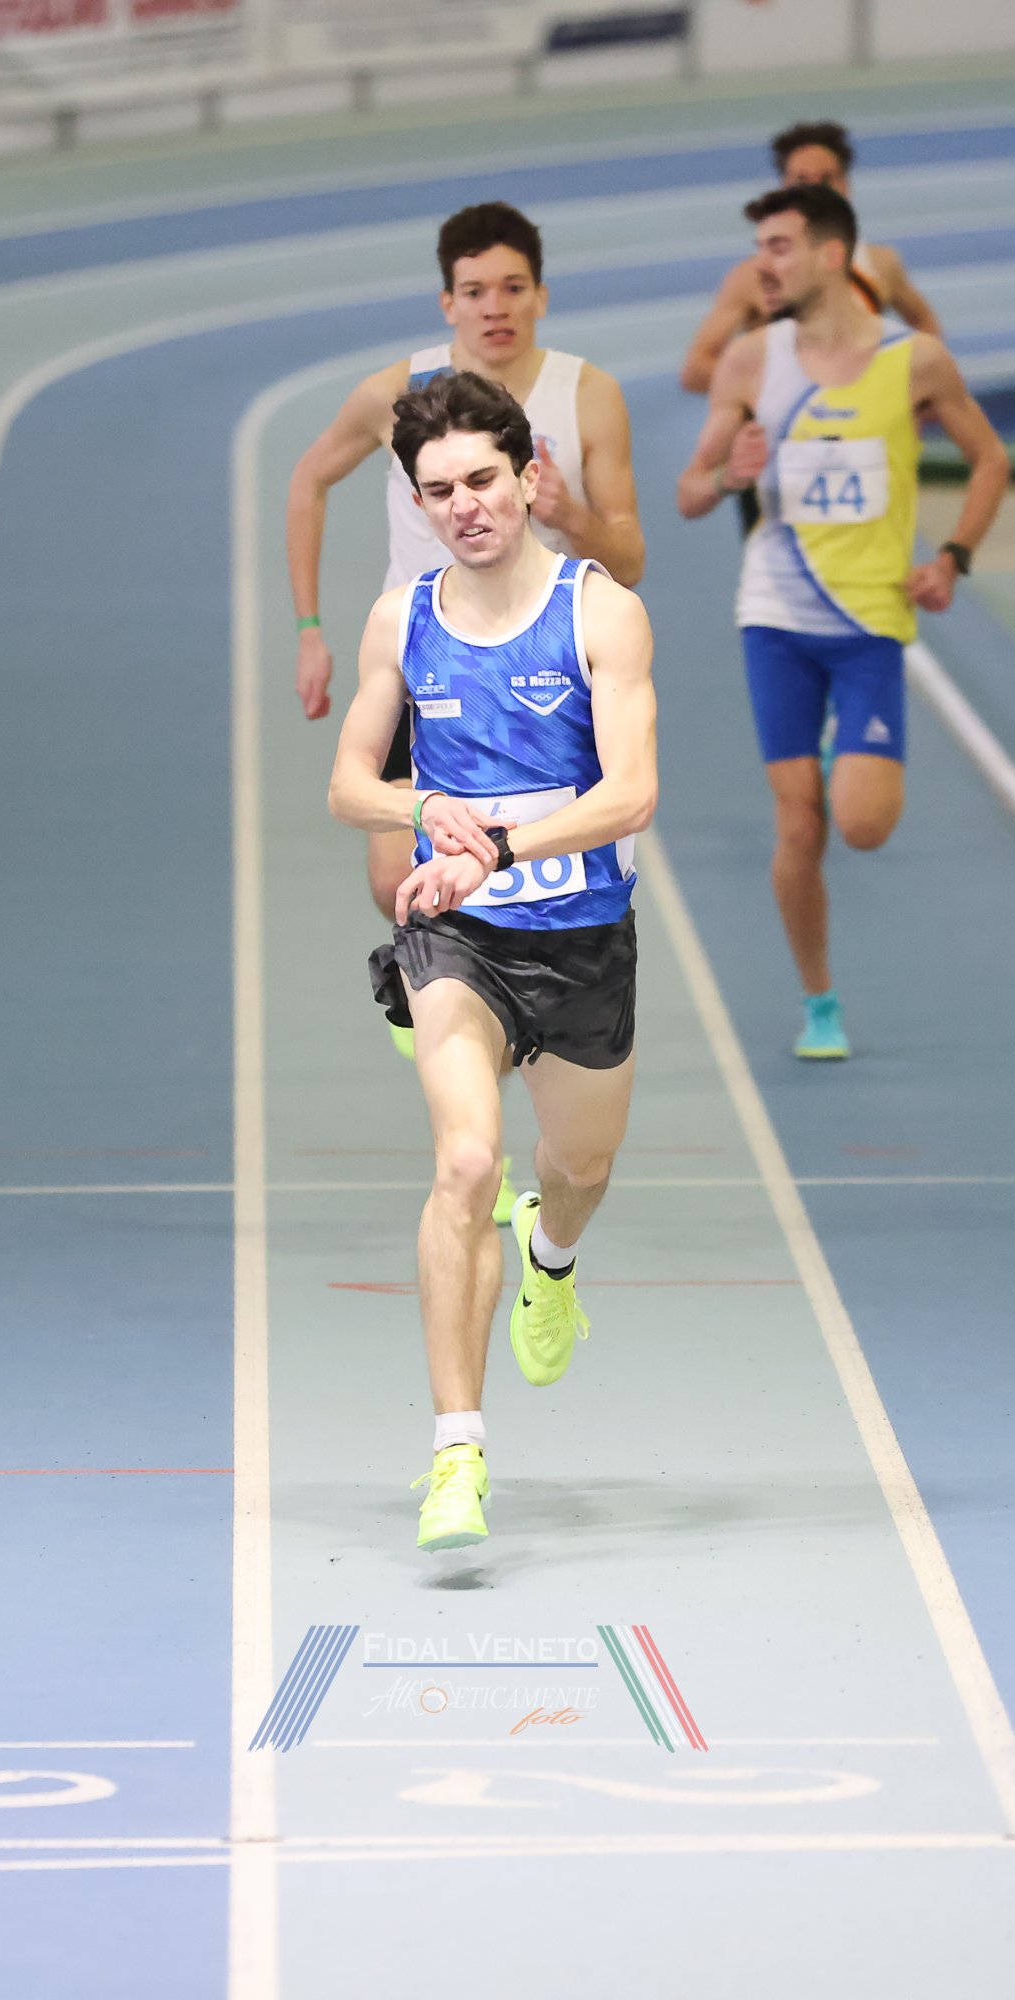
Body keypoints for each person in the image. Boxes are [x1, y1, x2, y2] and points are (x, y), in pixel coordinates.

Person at [328, 371, 659, 1555]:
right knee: (466, 1158)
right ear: (417, 504)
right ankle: (457, 1452)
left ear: (527, 476)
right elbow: (347, 781)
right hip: (457, 936)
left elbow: (632, 793)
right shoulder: (400, 621)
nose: (463, 505)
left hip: (581, 936)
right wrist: (426, 810)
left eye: (481, 479)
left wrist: (504, 846)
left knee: (579, 1165)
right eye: (438, 491)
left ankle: (549, 1257)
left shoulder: (600, 614)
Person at [676, 184, 1012, 1060]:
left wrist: (954, 558)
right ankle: (818, 1002)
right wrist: (728, 476)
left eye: (779, 247)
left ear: (832, 256)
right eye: (760, 247)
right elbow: (689, 493)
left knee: (862, 826)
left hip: (869, 623)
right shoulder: (750, 361)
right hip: (775, 618)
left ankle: (843, 755)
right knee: (799, 825)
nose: (762, 265)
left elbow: (990, 460)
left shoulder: (916, 362)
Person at [288, 201, 647, 938]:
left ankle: (504, 982)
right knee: (395, 878)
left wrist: (572, 516)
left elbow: (630, 560)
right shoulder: (396, 393)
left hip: (542, 651)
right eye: (475, 291)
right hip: (426, 656)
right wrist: (309, 629)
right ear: (448, 303)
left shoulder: (588, 395)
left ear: (541, 297)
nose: (495, 308)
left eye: (513, 288)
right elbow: (309, 482)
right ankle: (446, 978)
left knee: (542, 861)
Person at [679, 120, 942, 398]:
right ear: (784, 188)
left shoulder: (881, 264)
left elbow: (925, 324)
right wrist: (780, 390)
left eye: (827, 179)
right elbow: (696, 370)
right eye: (802, 181)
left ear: (846, 184)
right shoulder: (752, 277)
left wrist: (913, 389)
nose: (816, 191)